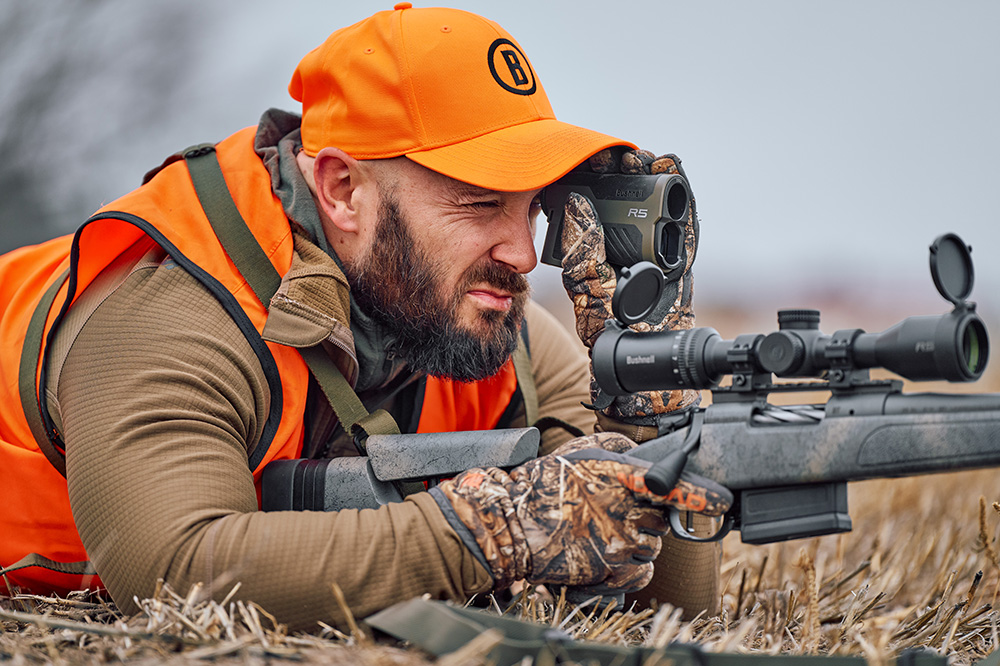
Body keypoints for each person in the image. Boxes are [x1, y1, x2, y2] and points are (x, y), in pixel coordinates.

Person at [0, 3, 728, 631]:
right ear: (343, 189)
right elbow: (172, 573)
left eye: (531, 208)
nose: (520, 251)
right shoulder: (172, 318)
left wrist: (646, 388)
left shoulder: (487, 330)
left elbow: (664, 615)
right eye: (479, 202)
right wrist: (489, 532)